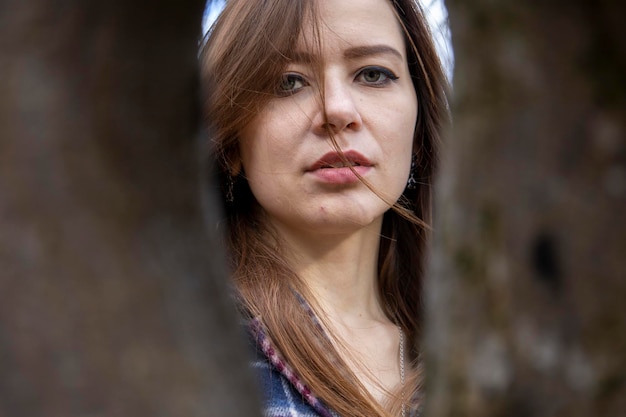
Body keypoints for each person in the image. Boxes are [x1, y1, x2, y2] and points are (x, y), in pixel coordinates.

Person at [201, 0, 449, 415]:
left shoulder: (488, 352)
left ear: (419, 131)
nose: (337, 110)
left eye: (373, 74)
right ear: (231, 145)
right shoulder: (183, 347)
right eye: (288, 82)